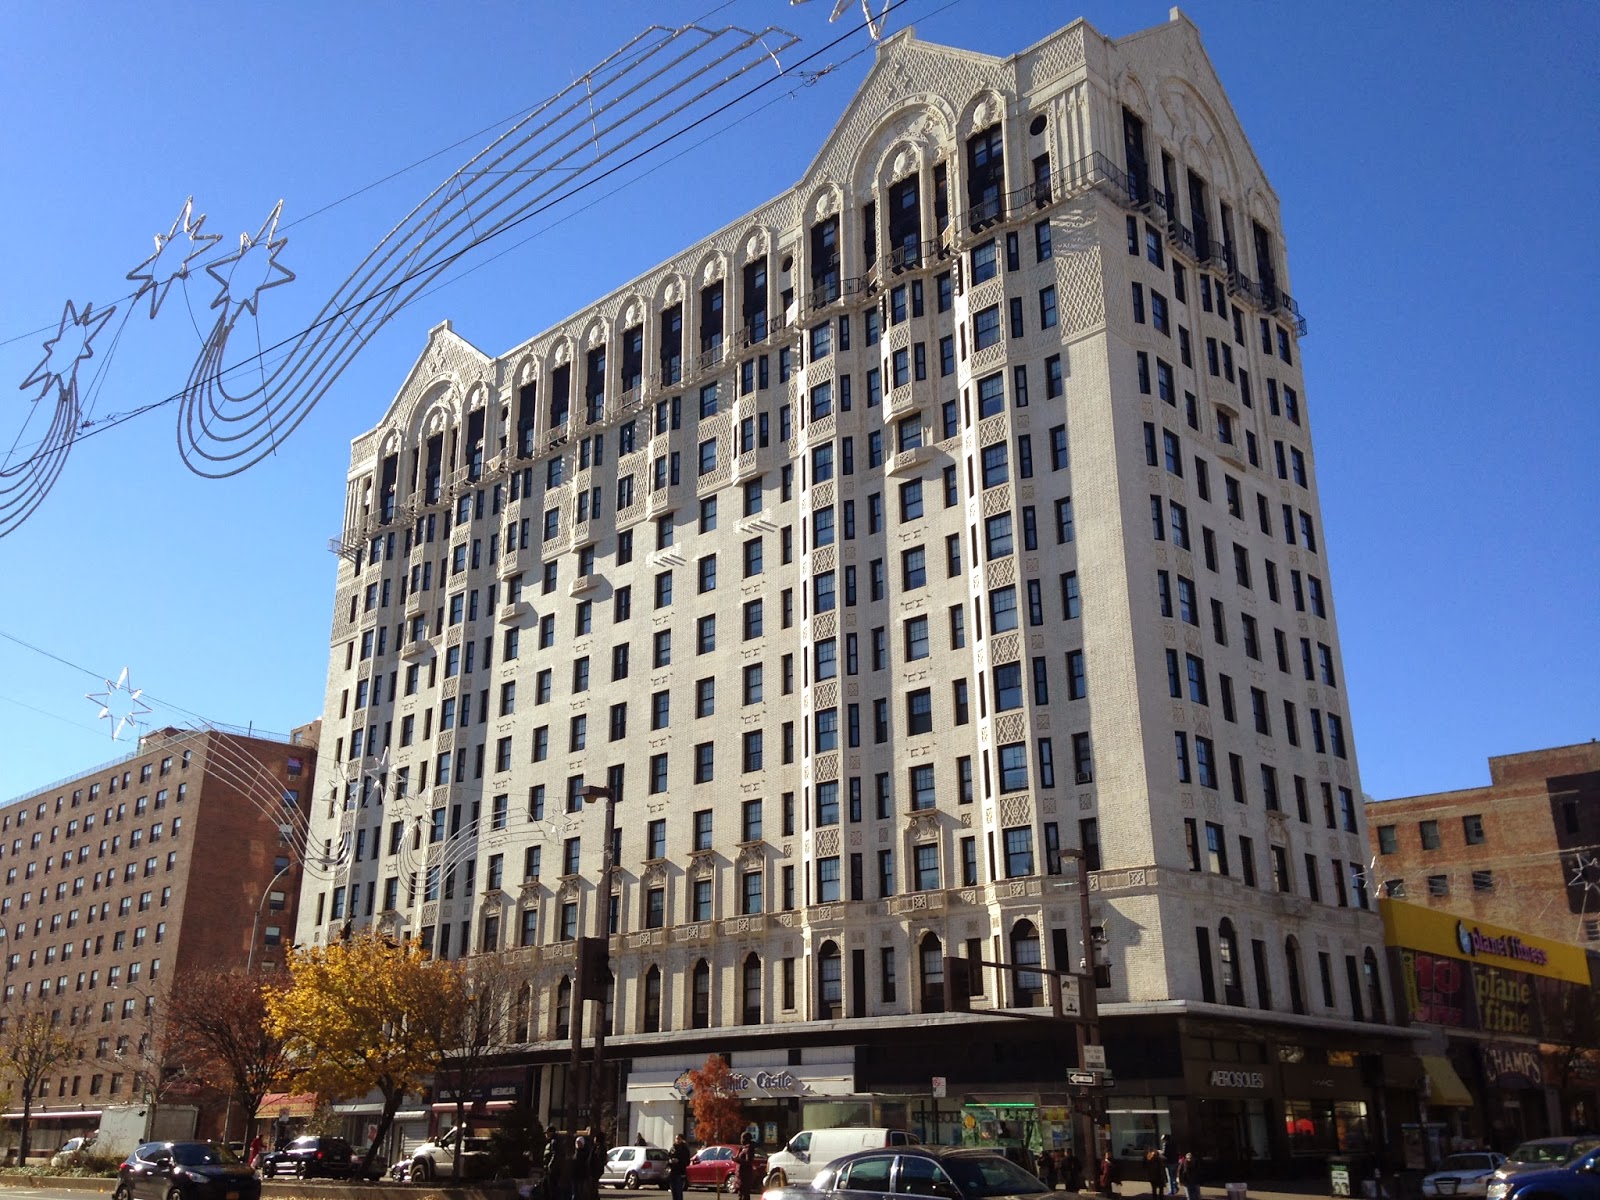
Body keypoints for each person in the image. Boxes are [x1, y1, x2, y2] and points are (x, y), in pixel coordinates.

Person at [736, 1131, 760, 1200]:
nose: (741, 1140)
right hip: (740, 1174)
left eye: (742, 1138)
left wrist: (738, 1160)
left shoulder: (749, 1149)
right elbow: (738, 1156)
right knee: (740, 1194)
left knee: (745, 1195)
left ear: (746, 1139)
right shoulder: (742, 1148)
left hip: (745, 1175)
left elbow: (748, 1161)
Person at [669, 1134, 691, 1200]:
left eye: (678, 1139)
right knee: (673, 1190)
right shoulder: (672, 1148)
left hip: (680, 1172)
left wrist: (679, 1161)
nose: (677, 1140)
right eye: (676, 1139)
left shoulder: (684, 1149)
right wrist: (670, 1161)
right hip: (672, 1171)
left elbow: (687, 1161)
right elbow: (669, 1157)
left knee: (678, 1190)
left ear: (681, 1139)